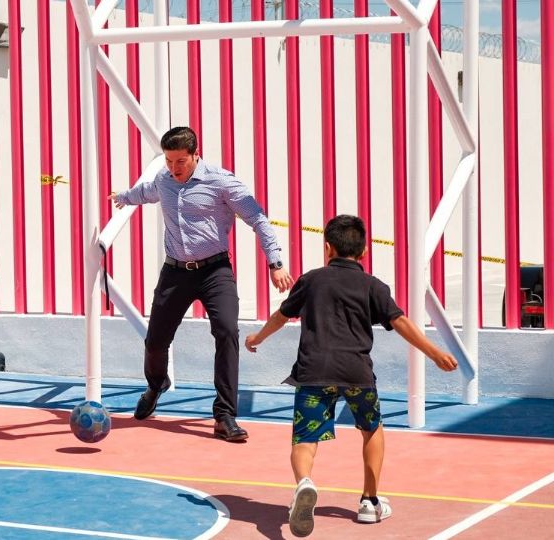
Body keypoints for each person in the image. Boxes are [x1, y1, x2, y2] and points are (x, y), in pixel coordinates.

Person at [244, 214, 458, 537]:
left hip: (313, 372)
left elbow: (281, 316)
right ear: (365, 251)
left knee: (305, 439)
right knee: (372, 430)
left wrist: (257, 338)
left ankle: (304, 483)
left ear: (327, 248)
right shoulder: (373, 286)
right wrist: (435, 353)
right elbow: (400, 322)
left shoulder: (311, 280)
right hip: (357, 372)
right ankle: (370, 502)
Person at [111, 126, 293, 442]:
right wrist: (124, 197)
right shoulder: (164, 181)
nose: (173, 168)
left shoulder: (221, 181)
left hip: (215, 272)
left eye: (180, 161)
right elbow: (145, 192)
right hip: (175, 273)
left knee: (226, 332)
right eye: (168, 161)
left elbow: (258, 218)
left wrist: (275, 263)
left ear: (196, 154)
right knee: (155, 341)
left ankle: (224, 416)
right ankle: (156, 385)